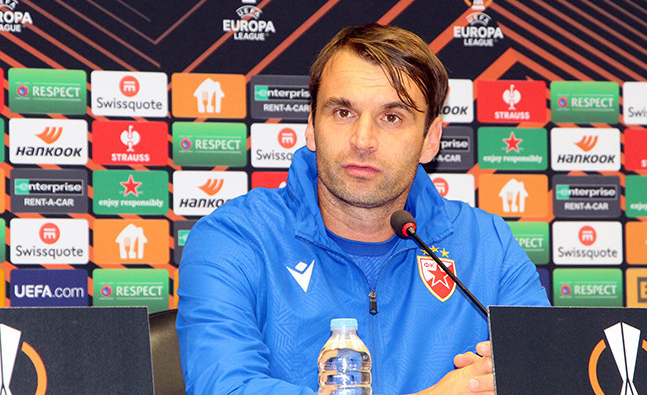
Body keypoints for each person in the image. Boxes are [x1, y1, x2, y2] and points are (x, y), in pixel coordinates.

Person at [176, 23, 550, 394]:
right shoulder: (234, 239)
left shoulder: (487, 245)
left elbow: (548, 374)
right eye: (343, 112)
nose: (363, 140)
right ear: (311, 125)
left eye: (392, 117)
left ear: (431, 139)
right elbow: (226, 388)